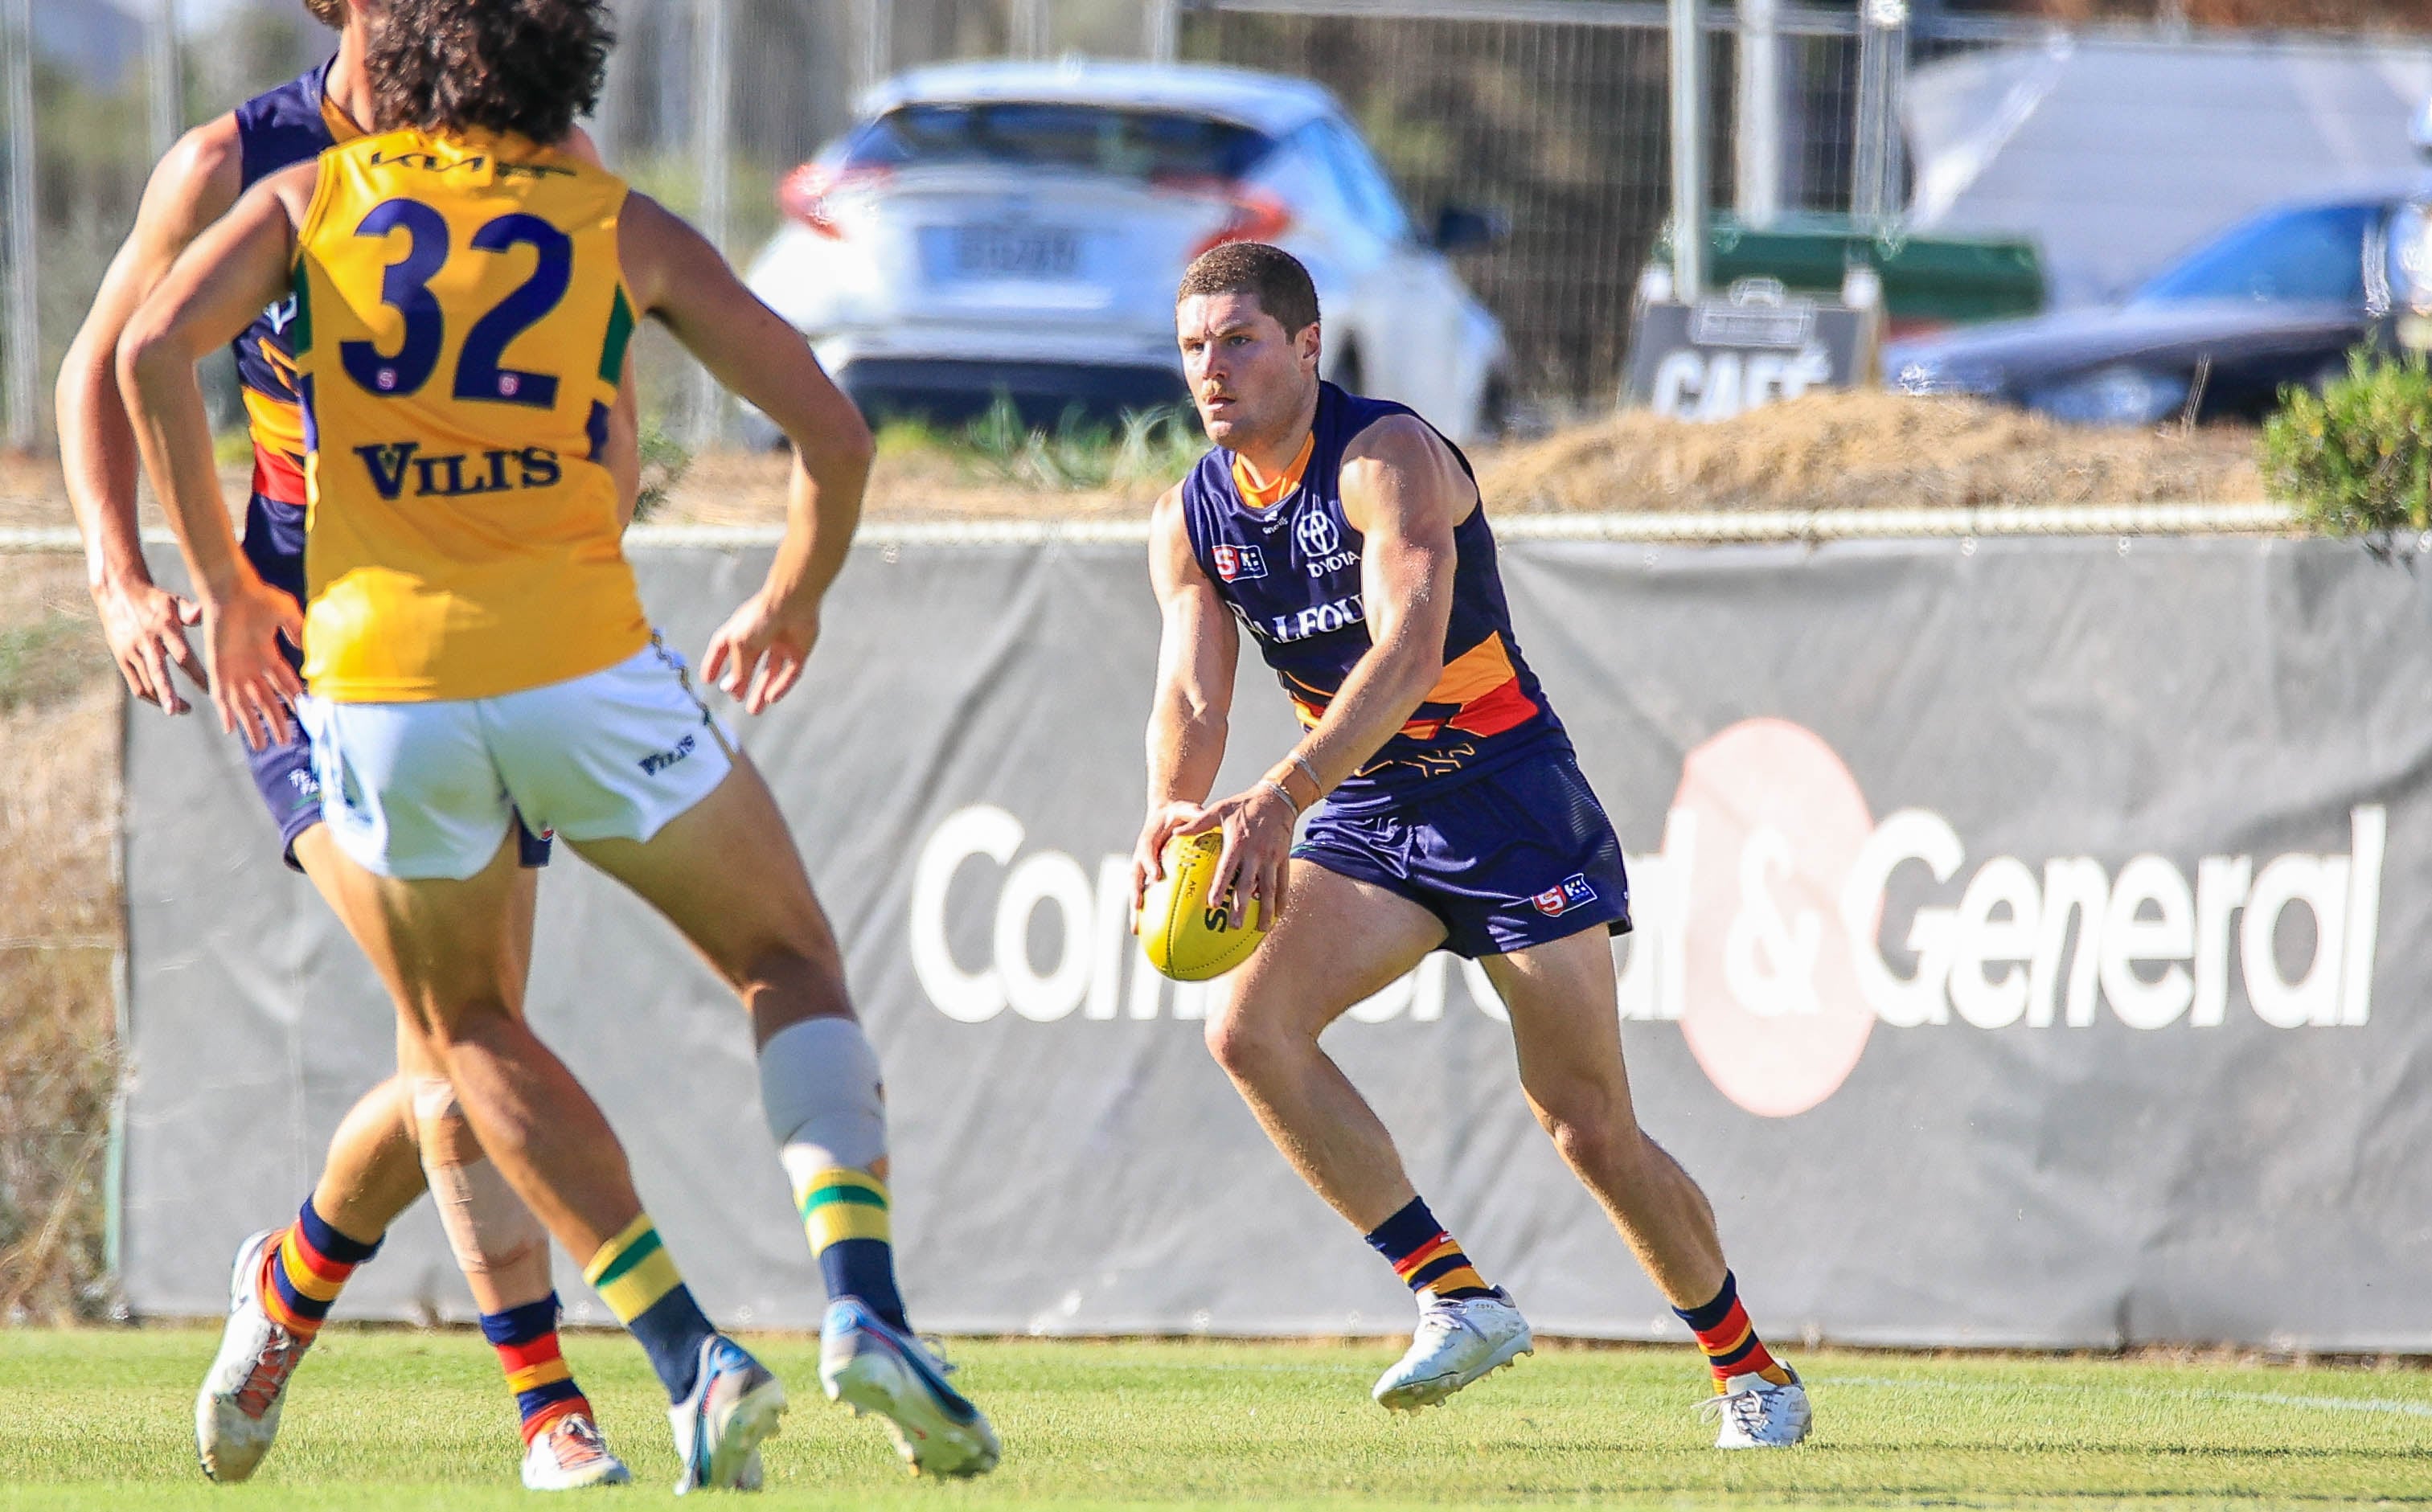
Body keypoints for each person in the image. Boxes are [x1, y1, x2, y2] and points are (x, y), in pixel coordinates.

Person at [116, 0, 999, 1488]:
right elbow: (835, 439)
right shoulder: (611, 220)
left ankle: (686, 1355)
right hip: (584, 668)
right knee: (785, 956)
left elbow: (147, 349)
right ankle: (862, 1306)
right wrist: (790, 597)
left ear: (394, 79)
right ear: (560, 79)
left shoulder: (306, 195)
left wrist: (222, 589)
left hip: (378, 685)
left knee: (466, 1040)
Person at [52, 0, 637, 1489]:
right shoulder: (232, 163)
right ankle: (547, 1402)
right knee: (461, 1040)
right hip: (310, 664)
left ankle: (290, 1284)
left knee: (460, 1043)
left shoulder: (534, 150)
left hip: (492, 655)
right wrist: (132, 577)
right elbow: (110, 367)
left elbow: (610, 385)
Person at [1130, 242, 1813, 1448]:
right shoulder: (1193, 514)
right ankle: (1454, 1292)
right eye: (1193, 346)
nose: (1211, 369)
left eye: (1237, 340)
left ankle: (1749, 1371)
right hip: (1365, 807)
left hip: (1504, 798)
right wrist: (1167, 810)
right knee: (1245, 1026)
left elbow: (1405, 650)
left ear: (1305, 346)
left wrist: (1280, 795)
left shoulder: (1385, 458)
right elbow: (1191, 700)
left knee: (1584, 1121)